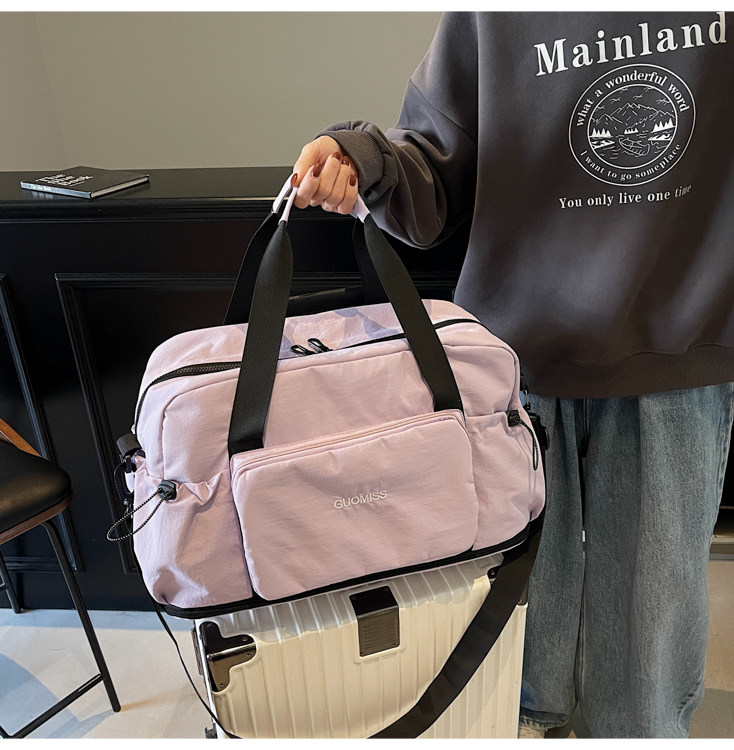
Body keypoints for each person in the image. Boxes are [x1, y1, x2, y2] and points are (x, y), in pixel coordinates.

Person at [289, 11, 734, 739]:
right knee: (518, 638)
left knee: (648, 658)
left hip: (679, 342)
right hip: (515, 359)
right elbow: (432, 167)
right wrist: (362, 157)